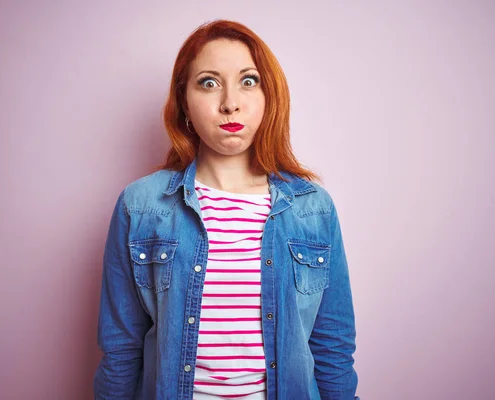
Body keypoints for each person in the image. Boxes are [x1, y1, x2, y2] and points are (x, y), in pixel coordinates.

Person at [94, 19, 359, 400]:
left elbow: (333, 347)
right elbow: (120, 349)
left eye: (248, 81)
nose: (230, 102)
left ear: (269, 98)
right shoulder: (141, 207)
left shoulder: (313, 209)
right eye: (209, 82)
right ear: (184, 102)